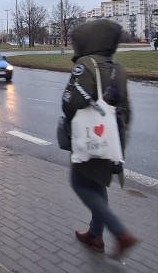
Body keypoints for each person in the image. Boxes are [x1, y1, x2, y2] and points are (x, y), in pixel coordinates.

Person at [59, 19, 138, 259]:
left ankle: (120, 232)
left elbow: (70, 103)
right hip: (112, 137)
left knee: (80, 183)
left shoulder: (85, 65)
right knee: (98, 183)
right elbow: (127, 109)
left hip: (90, 137)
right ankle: (95, 235)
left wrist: (73, 125)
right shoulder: (117, 69)